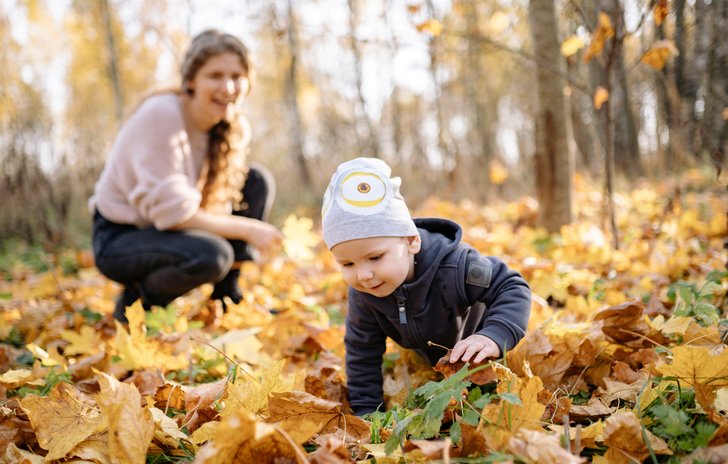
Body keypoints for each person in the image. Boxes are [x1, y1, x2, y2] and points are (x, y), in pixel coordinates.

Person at [89, 29, 283, 323]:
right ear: (191, 79)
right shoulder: (162, 114)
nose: (228, 87)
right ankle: (136, 304)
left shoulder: (227, 123)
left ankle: (226, 296)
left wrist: (242, 226)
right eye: (215, 75)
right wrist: (248, 229)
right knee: (212, 255)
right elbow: (174, 214)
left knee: (255, 181)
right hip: (120, 238)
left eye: (237, 76)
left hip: (167, 227)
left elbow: (209, 203)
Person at [321, 157, 531, 416]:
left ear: (411, 241)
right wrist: (367, 413)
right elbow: (362, 351)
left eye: (375, 257)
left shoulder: (457, 266)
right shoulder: (365, 295)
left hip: (488, 353)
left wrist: (495, 335)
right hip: (437, 363)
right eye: (347, 264)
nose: (363, 274)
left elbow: (511, 285)